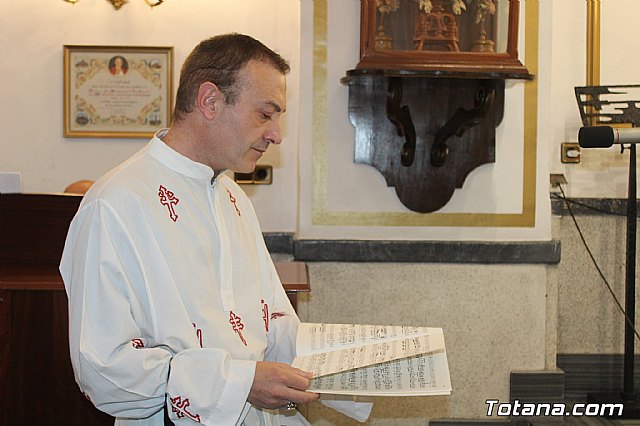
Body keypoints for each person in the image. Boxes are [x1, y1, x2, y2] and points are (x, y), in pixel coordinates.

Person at [61, 33, 367, 426]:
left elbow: (273, 324)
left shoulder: (232, 196)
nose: (276, 134)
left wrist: (365, 361)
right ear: (210, 101)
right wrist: (239, 382)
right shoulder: (114, 205)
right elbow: (102, 367)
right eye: (265, 114)